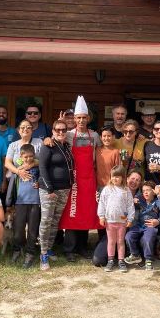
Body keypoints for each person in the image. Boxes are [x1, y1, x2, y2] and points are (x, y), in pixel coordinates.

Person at [59, 96, 102, 261]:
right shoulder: (69, 135)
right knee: (72, 211)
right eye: (79, 118)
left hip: (89, 178)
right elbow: (56, 139)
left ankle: (83, 247)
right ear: (75, 119)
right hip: (73, 178)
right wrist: (59, 124)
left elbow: (98, 156)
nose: (82, 120)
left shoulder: (95, 135)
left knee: (86, 211)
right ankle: (69, 248)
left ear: (88, 119)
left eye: (84, 118)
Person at [38, 120, 74, 270]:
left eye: (63, 130)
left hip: (64, 189)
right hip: (50, 190)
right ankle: (43, 254)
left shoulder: (66, 146)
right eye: (57, 130)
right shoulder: (48, 145)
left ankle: (49, 247)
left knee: (55, 221)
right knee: (46, 221)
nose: (60, 132)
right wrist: (49, 189)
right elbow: (42, 167)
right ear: (52, 131)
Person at [92, 170, 143, 266]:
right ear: (126, 178)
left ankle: (122, 257)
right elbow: (103, 200)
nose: (134, 181)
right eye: (132, 178)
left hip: (129, 232)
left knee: (124, 243)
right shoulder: (110, 190)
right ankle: (112, 256)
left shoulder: (142, 197)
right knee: (98, 260)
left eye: (137, 180)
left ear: (140, 183)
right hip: (112, 227)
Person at [5, 143, 41, 268]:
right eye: (26, 157)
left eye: (31, 156)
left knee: (32, 230)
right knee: (18, 230)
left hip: (35, 203)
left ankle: (30, 252)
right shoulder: (17, 170)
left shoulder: (37, 168)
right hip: (20, 203)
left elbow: (43, 178)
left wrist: (39, 183)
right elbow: (11, 187)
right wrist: (9, 202)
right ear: (21, 156)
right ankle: (17, 249)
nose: (28, 159)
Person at [97, 165, 135, 272]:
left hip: (122, 222)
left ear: (123, 177)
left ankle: (121, 260)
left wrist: (130, 219)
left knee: (120, 241)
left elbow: (130, 205)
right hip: (110, 221)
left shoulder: (126, 190)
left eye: (118, 176)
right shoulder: (107, 189)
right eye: (113, 176)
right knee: (111, 241)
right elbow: (102, 203)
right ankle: (110, 260)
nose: (115, 179)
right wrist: (101, 216)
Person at [124, 181, 160, 270]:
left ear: (153, 191)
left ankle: (148, 260)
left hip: (150, 225)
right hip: (139, 225)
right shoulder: (140, 199)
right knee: (128, 236)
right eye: (144, 190)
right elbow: (129, 204)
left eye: (148, 190)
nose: (145, 192)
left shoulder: (157, 202)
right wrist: (133, 200)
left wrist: (158, 221)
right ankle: (135, 254)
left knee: (147, 238)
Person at [96, 126, 120, 190]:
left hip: (111, 186)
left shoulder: (115, 152)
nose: (106, 138)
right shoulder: (97, 150)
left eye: (109, 136)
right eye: (104, 136)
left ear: (113, 137)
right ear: (101, 137)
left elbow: (118, 171)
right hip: (97, 186)